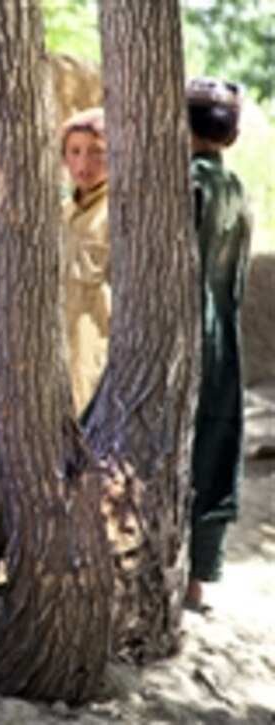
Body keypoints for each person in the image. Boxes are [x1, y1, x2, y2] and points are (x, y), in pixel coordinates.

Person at [185, 77, 252, 612]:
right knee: (214, 448)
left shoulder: (186, 185)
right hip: (223, 337)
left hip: (184, 336)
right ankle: (199, 576)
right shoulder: (236, 190)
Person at [60, 107, 111, 416]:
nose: (84, 163)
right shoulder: (63, 213)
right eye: (75, 151)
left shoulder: (115, 212)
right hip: (58, 346)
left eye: (97, 152)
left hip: (94, 348)